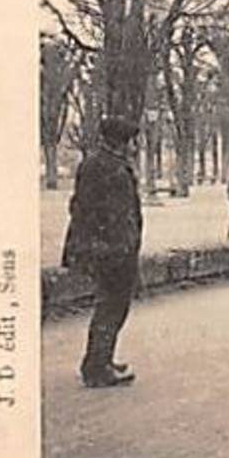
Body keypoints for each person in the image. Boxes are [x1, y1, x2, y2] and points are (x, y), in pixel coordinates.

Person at [61, 116, 144, 388]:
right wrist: (125, 249)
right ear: (122, 142)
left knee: (108, 305)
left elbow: (78, 206)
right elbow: (118, 216)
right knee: (113, 306)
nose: (135, 145)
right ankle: (97, 366)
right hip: (114, 251)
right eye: (133, 140)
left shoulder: (94, 162)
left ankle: (100, 359)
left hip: (101, 248)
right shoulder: (115, 170)